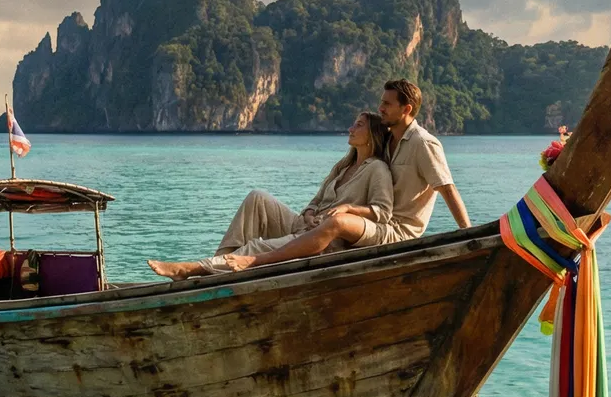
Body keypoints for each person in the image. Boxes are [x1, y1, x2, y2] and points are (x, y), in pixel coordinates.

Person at [170, 77, 470, 275]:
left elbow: (447, 189)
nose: (381, 108)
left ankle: (227, 266)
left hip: (393, 231)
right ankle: (215, 268)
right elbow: (322, 197)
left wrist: (467, 235)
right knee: (257, 199)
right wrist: (313, 211)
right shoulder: (382, 145)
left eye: (386, 104)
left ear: (406, 109)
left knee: (335, 223)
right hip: (352, 224)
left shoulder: (423, 144)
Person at [147, 112, 394, 279]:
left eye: (358, 125)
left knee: (255, 247)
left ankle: (193, 270)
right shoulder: (343, 165)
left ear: (372, 134)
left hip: (326, 239)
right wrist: (308, 212)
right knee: (257, 198)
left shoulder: (377, 169)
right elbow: (316, 200)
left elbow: (383, 212)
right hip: (306, 225)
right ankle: (215, 266)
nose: (351, 128)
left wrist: (348, 209)